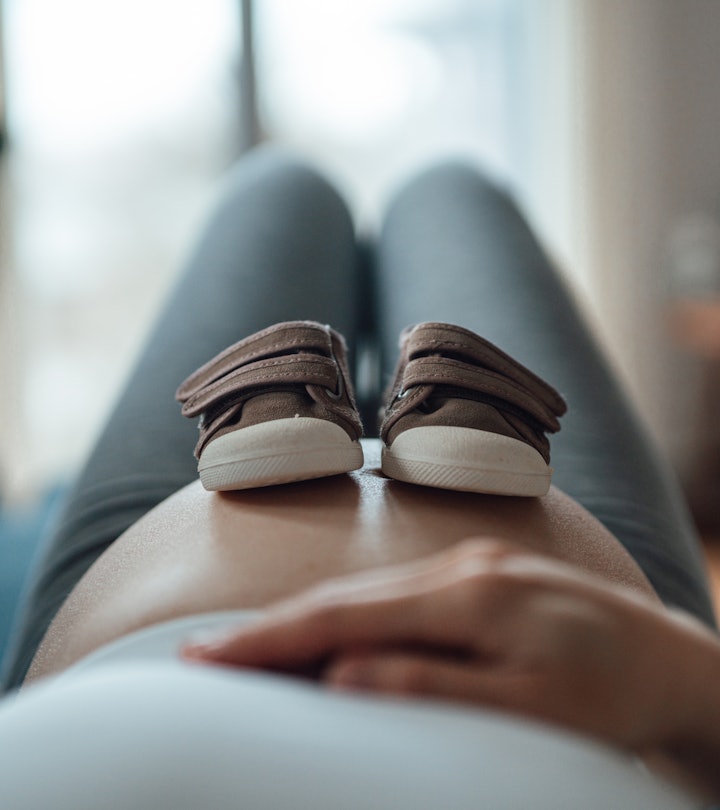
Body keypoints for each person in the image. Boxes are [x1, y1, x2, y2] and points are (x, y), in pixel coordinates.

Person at [1, 146, 719, 806]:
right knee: (449, 190)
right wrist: (677, 679)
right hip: (597, 630)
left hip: (122, 620)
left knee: (281, 186)